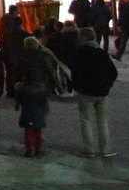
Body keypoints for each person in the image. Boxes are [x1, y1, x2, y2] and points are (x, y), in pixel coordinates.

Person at [67, 27, 117, 157]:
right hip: (102, 91)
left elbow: (74, 71)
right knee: (102, 121)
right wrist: (107, 85)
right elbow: (113, 72)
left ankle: (89, 149)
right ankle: (106, 149)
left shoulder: (79, 53)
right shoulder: (101, 53)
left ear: (83, 38)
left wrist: (76, 85)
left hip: (86, 91)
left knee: (86, 120)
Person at [14, 35, 58, 157]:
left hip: (26, 92)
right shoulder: (42, 56)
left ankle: (29, 148)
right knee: (39, 120)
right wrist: (57, 86)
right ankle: (38, 147)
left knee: (29, 123)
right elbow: (51, 72)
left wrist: (16, 92)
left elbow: (15, 74)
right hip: (41, 90)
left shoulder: (21, 57)